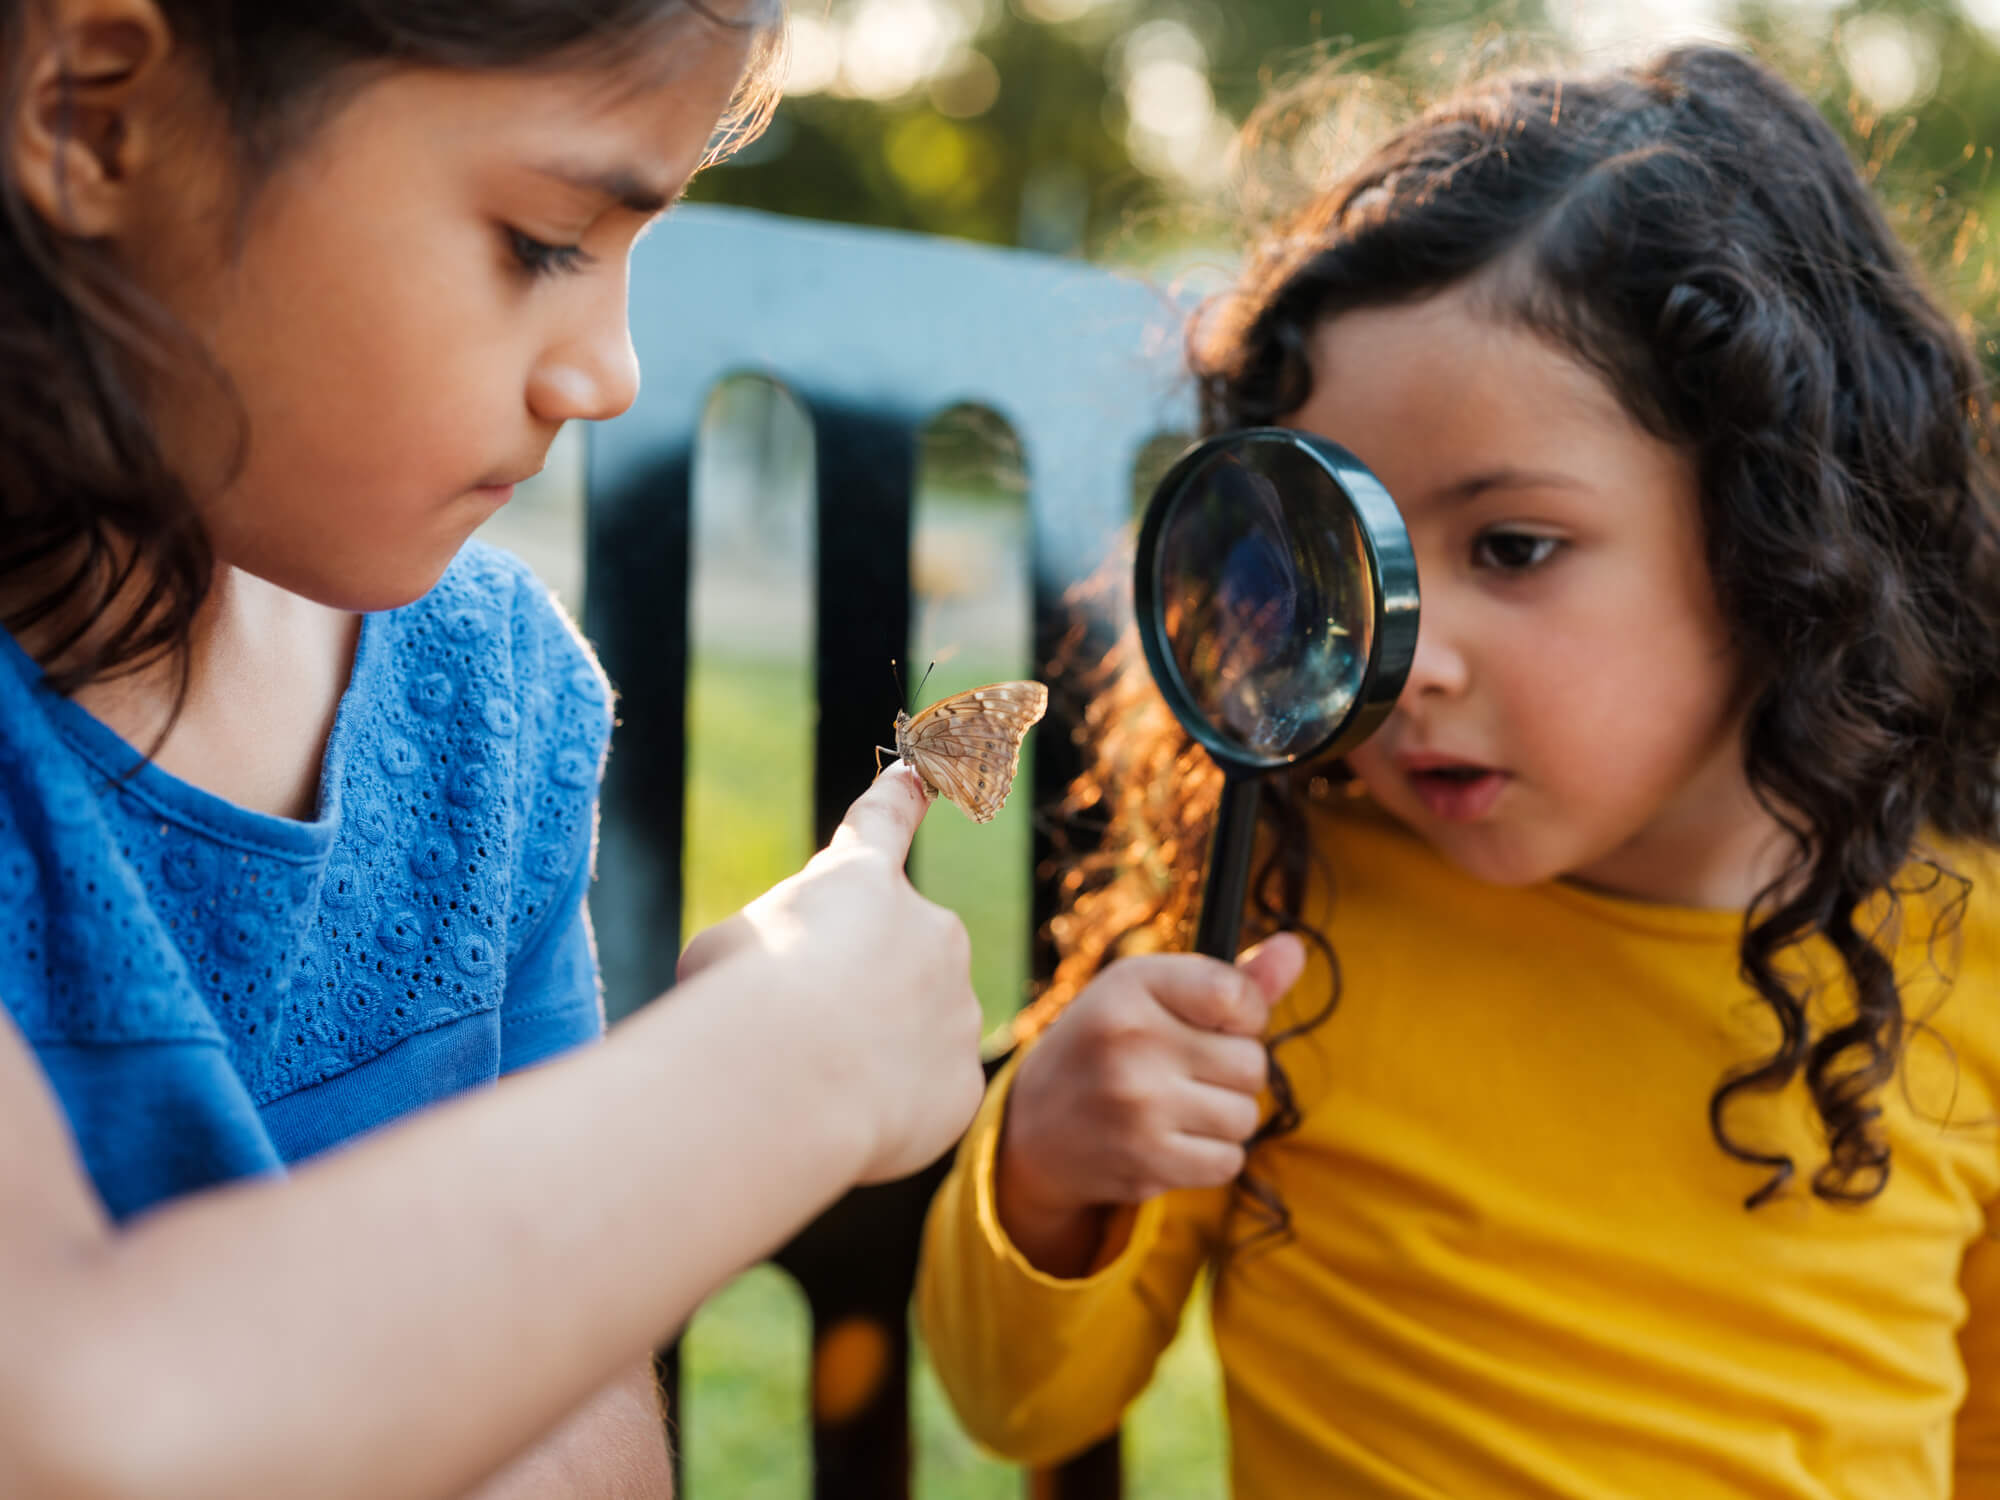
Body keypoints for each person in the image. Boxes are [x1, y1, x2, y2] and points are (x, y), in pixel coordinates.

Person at [917, 44, 2000, 1499]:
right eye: (1345, 567)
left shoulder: (1968, 960)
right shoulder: (1283, 918)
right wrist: (1050, 1167)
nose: (1401, 659)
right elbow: (1021, 1405)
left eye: (1513, 549)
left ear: (1780, 535)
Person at [0, 1, 987, 1497]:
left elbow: (581, 1419)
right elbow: (78, 1429)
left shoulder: (493, 702)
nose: (609, 373)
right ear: (94, 117)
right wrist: (787, 1064)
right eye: (541, 241)